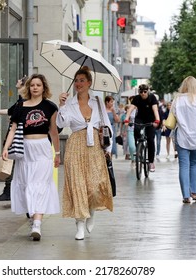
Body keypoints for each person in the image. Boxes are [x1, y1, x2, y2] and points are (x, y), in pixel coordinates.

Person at [56, 66, 113, 241]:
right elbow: (62, 122)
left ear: (89, 83)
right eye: (76, 81)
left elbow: (106, 124)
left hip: (95, 145)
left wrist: (108, 149)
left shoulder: (97, 101)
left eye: (82, 80)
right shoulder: (70, 103)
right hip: (75, 145)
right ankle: (79, 224)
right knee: (78, 185)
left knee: (95, 186)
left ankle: (92, 211)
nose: (78, 84)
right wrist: (62, 105)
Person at [2, 74, 61, 241]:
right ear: (29, 88)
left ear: (44, 88)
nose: (35, 87)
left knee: (40, 186)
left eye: (38, 85)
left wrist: (57, 153)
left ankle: (37, 224)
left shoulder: (50, 107)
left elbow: (54, 132)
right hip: (25, 150)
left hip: (43, 149)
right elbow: (12, 130)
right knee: (27, 185)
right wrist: (6, 148)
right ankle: (33, 216)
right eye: (32, 85)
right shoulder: (20, 106)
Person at [0, 76, 27, 201]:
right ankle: (9, 191)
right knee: (11, 163)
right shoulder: (20, 100)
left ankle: (9, 192)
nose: (17, 81)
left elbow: (15, 115)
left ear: (23, 85)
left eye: (19, 80)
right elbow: (10, 111)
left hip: (18, 138)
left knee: (12, 164)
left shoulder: (25, 100)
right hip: (14, 136)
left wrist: (14, 118)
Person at [172, 76, 196, 203]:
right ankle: (195, 192)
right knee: (195, 164)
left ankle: (185, 196)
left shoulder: (177, 100)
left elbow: (173, 117)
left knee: (183, 165)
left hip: (182, 136)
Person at [124, 84, 160, 172]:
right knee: (136, 129)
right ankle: (139, 149)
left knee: (150, 139)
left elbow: (155, 109)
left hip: (150, 119)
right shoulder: (137, 98)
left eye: (145, 92)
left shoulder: (152, 98)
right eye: (141, 92)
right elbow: (130, 109)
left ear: (148, 91)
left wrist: (157, 120)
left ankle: (151, 162)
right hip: (140, 118)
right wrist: (126, 119)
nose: (143, 93)